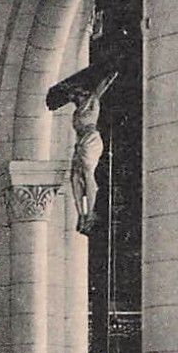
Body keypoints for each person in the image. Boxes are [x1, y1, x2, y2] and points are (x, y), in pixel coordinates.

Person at [67, 70, 119, 235]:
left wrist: (110, 74)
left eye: (76, 94)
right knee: (75, 177)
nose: (74, 98)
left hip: (91, 140)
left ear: (82, 93)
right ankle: (81, 214)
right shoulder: (76, 112)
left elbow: (101, 87)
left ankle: (90, 213)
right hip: (80, 142)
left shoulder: (92, 102)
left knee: (88, 172)